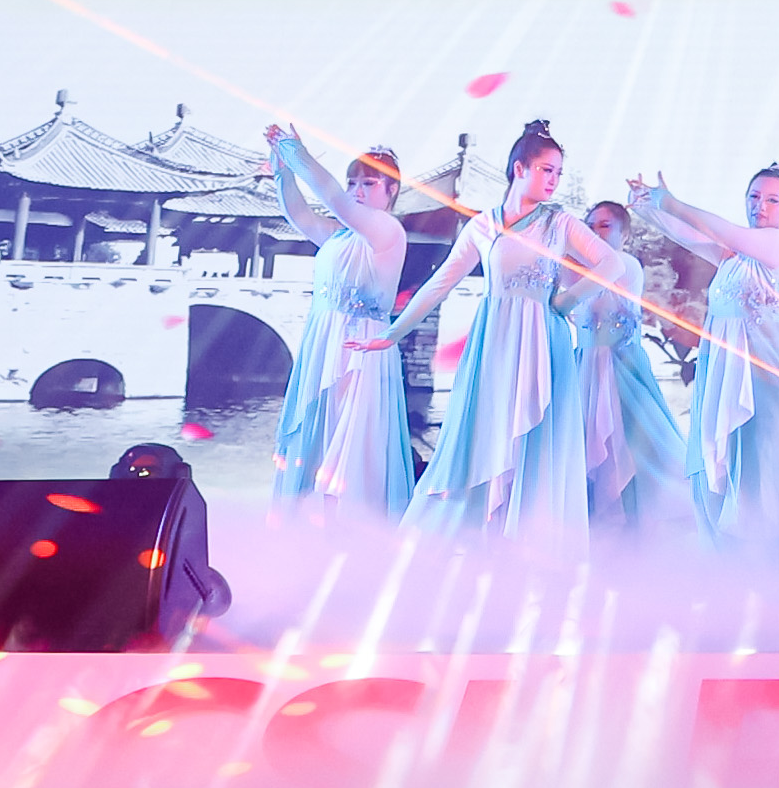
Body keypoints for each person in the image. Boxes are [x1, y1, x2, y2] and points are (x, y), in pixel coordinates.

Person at [387, 122, 623, 549]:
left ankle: (531, 542)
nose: (553, 180)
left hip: (543, 342)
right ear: (520, 169)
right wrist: (392, 333)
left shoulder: (559, 223)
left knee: (538, 441)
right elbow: (440, 284)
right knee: (486, 432)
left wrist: (566, 301)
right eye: (546, 170)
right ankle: (478, 535)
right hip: (494, 342)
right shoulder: (482, 226)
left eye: (558, 173)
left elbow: (612, 264)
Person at [634, 161, 779, 569]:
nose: (760, 206)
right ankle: (745, 561)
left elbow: (721, 231)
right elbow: (693, 235)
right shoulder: (734, 256)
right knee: (738, 464)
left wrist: (672, 203)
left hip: (769, 378)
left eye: (772, 200)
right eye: (754, 197)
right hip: (726, 373)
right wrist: (649, 206)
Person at [263, 123, 415, 520]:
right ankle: (309, 526)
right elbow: (300, 215)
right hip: (324, 341)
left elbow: (332, 198)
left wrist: (296, 151)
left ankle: (349, 527)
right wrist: (283, 169)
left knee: (349, 441)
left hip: (358, 346)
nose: (356, 191)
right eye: (352, 182)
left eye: (368, 183)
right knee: (318, 437)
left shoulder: (388, 230)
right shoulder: (339, 236)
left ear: (391, 190)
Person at [573, 198, 697, 528]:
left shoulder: (624, 264)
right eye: (589, 226)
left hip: (619, 365)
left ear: (624, 234)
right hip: (585, 363)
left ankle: (633, 519)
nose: (595, 232)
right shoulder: (587, 268)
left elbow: (594, 305)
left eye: (604, 225)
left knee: (631, 444)